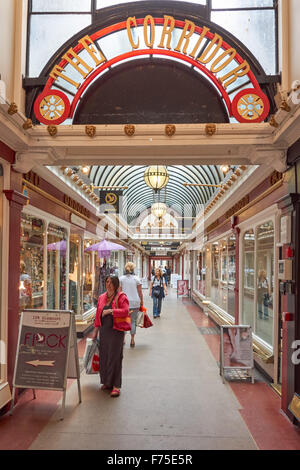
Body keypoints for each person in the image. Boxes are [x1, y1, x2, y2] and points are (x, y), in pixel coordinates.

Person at [91, 276, 129, 397]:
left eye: (112, 283)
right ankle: (107, 382)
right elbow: (98, 315)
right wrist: (95, 331)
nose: (109, 284)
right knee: (104, 356)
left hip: (116, 331)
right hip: (104, 332)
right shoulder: (102, 297)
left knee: (115, 357)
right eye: (107, 282)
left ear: (116, 285)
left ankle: (116, 385)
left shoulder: (122, 297)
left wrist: (111, 311)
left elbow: (125, 311)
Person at [119, 262, 143, 348]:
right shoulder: (136, 279)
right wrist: (141, 301)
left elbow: (120, 292)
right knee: (132, 321)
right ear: (133, 269)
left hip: (124, 303)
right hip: (135, 302)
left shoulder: (121, 279)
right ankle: (132, 340)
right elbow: (140, 292)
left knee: (124, 321)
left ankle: (123, 339)